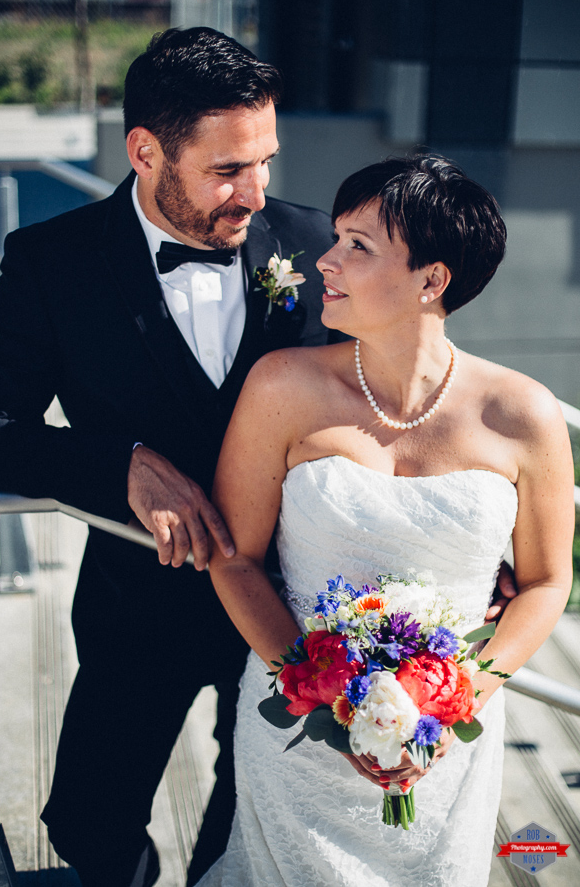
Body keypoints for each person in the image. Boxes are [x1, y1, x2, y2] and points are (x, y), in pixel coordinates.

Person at [0, 27, 339, 887]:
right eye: (227, 170)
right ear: (145, 150)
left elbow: (386, 402)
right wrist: (118, 462)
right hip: (136, 601)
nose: (255, 193)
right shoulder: (51, 262)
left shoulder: (317, 246)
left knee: (257, 800)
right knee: (87, 817)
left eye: (265, 161)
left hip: (294, 600)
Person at [199, 154, 575, 887]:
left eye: (358, 246)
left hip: (446, 742)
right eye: (336, 237)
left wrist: (454, 698)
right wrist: (320, 697)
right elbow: (235, 558)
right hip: (293, 732)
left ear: (432, 280)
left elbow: (546, 582)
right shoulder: (283, 385)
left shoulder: (524, 413)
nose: (327, 260)